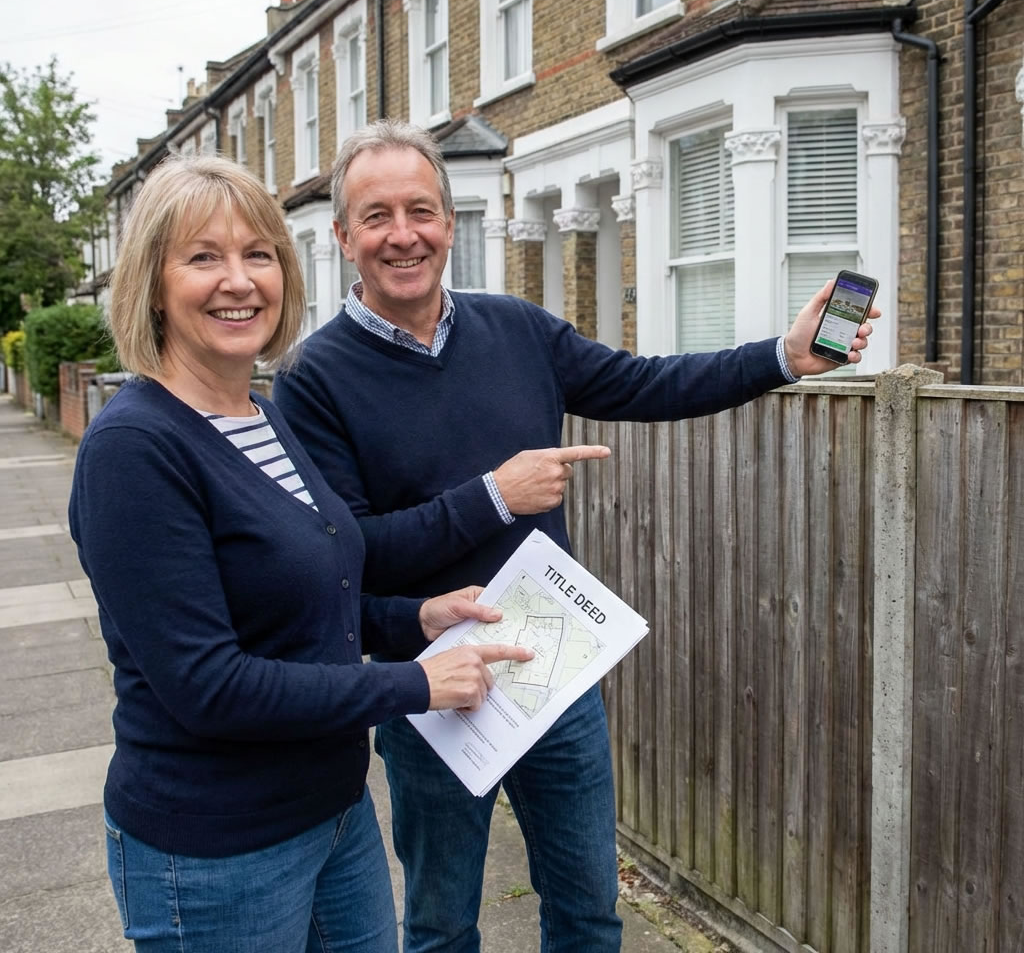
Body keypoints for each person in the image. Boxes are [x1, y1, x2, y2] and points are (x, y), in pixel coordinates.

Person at [272, 119, 880, 953]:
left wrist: (782, 354)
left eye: (421, 210)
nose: (402, 234)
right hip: (432, 684)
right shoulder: (312, 378)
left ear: (451, 223)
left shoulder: (518, 328)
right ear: (343, 237)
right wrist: (494, 496)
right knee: (443, 923)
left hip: (556, 671)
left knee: (590, 912)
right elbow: (352, 556)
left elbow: (646, 383)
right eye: (377, 216)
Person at [68, 154, 533, 953]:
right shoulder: (135, 449)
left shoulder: (263, 413)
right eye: (204, 257)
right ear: (152, 282)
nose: (239, 280)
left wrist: (414, 616)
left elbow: (308, 603)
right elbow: (208, 685)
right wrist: (412, 684)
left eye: (259, 254)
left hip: (334, 813)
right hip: (216, 847)